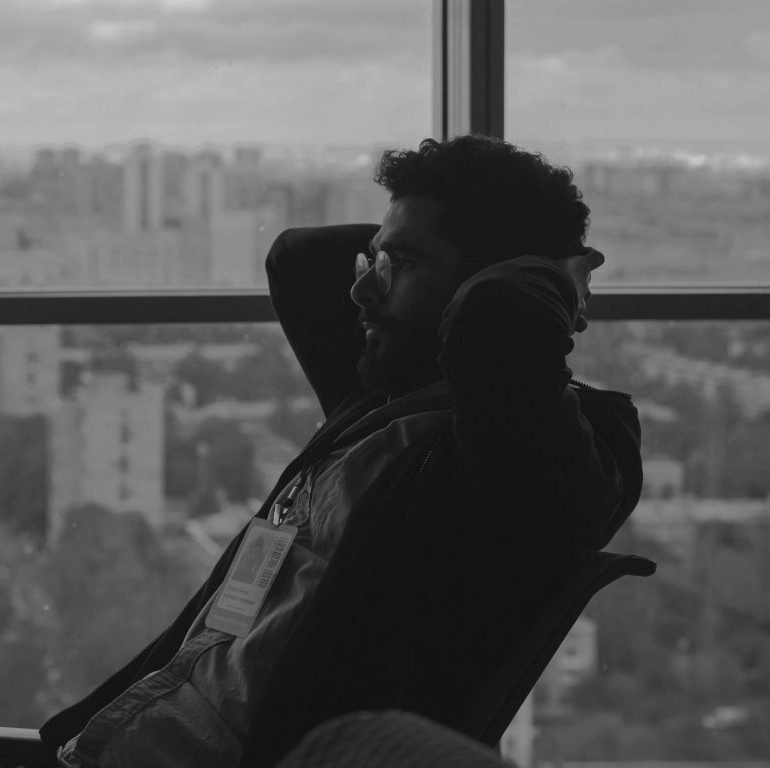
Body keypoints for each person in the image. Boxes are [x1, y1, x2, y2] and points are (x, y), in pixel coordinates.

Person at [40, 135, 643, 768]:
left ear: (482, 293)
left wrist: (548, 273)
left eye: (401, 266)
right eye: (375, 263)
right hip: (125, 740)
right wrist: (406, 252)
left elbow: (497, 326)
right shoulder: (383, 397)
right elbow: (299, 258)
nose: (363, 293)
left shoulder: (546, 456)